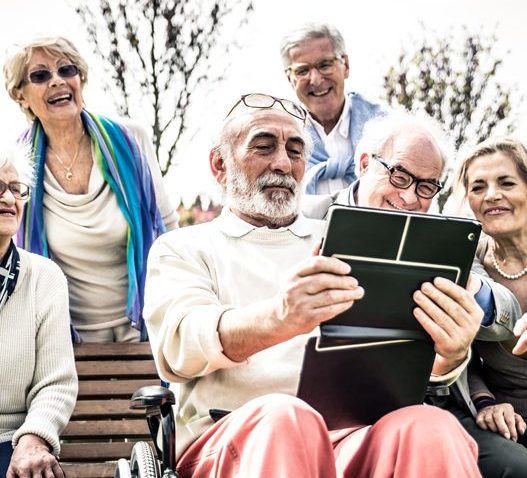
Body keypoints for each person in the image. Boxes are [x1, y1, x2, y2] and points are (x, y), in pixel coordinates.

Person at [144, 93, 483, 477]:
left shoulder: (350, 239)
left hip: (350, 438)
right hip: (236, 437)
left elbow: (403, 357)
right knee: (287, 417)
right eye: (264, 146)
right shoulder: (184, 248)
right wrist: (279, 318)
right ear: (220, 165)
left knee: (431, 428)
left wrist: (449, 355)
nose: (283, 163)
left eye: (296, 149)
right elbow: (179, 347)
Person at [303, 113, 527, 477]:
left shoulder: (437, 232)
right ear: (364, 164)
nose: (408, 197)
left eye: (426, 187)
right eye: (400, 176)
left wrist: (473, 294)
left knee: (515, 466)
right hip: (329, 411)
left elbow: (506, 310)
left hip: (428, 404)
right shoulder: (305, 221)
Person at [3, 36, 178, 342]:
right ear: (21, 95)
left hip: (148, 327)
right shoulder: (17, 163)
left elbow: (169, 232)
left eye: (66, 70)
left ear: (80, 79)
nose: (57, 81)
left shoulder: (132, 139)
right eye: (41, 75)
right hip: (63, 337)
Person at [0, 143, 78, 478]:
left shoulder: (44, 278)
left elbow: (55, 382)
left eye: (15, 189)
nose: (8, 199)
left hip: (11, 443)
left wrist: (33, 439)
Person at [456, 137, 527, 450]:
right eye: (478, 187)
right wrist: (486, 402)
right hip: (513, 419)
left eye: (506, 182)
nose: (492, 196)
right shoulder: (465, 261)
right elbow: (461, 355)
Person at [280, 22, 385, 195]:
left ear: (346, 65)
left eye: (325, 65)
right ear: (290, 78)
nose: (315, 79)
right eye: (302, 70)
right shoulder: (279, 139)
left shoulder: (386, 128)